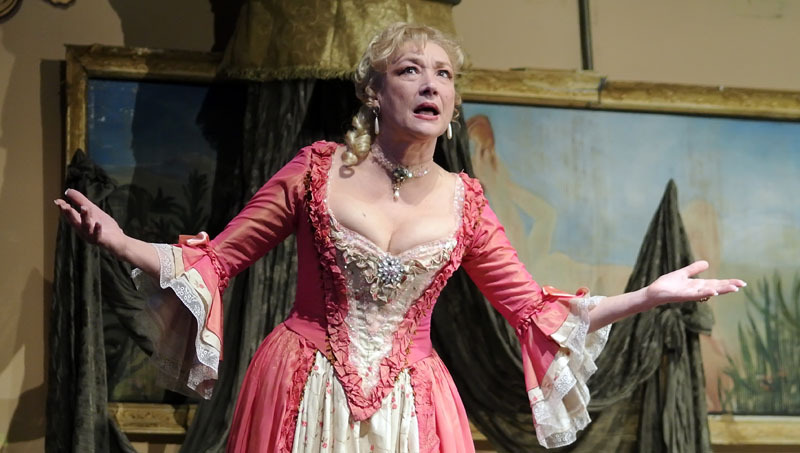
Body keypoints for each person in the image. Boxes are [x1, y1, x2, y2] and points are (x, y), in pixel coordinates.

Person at [55, 23, 745, 452]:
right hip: (303, 380)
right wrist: (120, 241)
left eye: (444, 74)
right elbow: (218, 259)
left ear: (453, 102)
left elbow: (535, 310)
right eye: (410, 70)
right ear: (373, 92)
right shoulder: (315, 170)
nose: (430, 84)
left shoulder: (466, 203)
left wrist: (648, 295)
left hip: (412, 402)